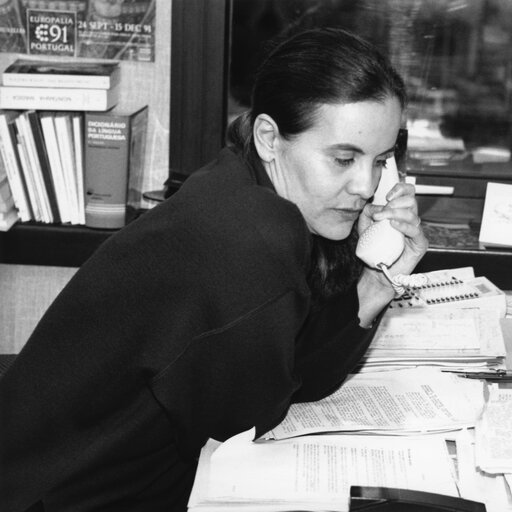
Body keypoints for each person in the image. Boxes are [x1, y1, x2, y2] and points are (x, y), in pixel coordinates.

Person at [0, 27, 427, 511]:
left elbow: (293, 373)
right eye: (344, 159)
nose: (366, 186)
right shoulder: (249, 236)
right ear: (270, 137)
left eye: (381, 161)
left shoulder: (240, 180)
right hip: (68, 495)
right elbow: (248, 428)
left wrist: (377, 279)